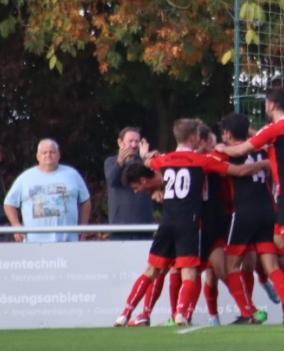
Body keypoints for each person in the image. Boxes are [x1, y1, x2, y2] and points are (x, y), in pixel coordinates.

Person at [114, 119, 266, 327]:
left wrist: (146, 157)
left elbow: (149, 165)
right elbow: (238, 171)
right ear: (194, 138)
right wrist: (266, 164)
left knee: (154, 271)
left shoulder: (165, 159)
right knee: (188, 273)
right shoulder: (202, 161)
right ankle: (179, 314)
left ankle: (125, 314)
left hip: (172, 222)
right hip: (191, 223)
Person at [215, 87, 284, 317]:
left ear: (271, 104)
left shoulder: (274, 129)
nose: (265, 107)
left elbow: (240, 150)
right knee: (278, 243)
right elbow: (266, 141)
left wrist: (222, 147)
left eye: (265, 103)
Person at [220, 112, 284, 324]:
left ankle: (248, 313)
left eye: (223, 134)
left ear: (228, 134)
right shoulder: (262, 149)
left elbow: (233, 170)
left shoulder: (226, 153)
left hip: (243, 213)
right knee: (271, 264)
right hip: (266, 211)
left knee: (230, 265)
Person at [4, 139, 91, 242]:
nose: (48, 155)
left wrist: (83, 226)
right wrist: (16, 225)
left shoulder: (72, 175)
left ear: (58, 155)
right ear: (37, 156)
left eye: (52, 152)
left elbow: (85, 200)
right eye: (44, 153)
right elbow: (9, 204)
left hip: (68, 241)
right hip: (34, 242)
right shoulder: (25, 178)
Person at [104, 127, 156, 240]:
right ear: (120, 142)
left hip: (144, 226)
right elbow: (112, 180)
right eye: (130, 141)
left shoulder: (145, 162)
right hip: (119, 227)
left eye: (137, 142)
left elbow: (154, 179)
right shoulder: (111, 162)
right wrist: (119, 162)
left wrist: (145, 159)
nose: (134, 145)